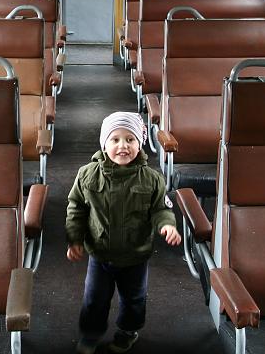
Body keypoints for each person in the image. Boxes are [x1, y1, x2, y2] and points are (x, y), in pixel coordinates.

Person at [66, 111, 182, 354]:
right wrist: (75, 239)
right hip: (100, 254)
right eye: (115, 139)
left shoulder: (152, 179)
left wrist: (167, 225)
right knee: (94, 300)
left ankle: (128, 332)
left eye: (130, 140)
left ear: (140, 145)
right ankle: (90, 334)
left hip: (135, 256)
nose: (123, 146)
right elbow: (76, 208)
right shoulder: (87, 175)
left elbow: (161, 208)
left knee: (134, 300)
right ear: (104, 143)